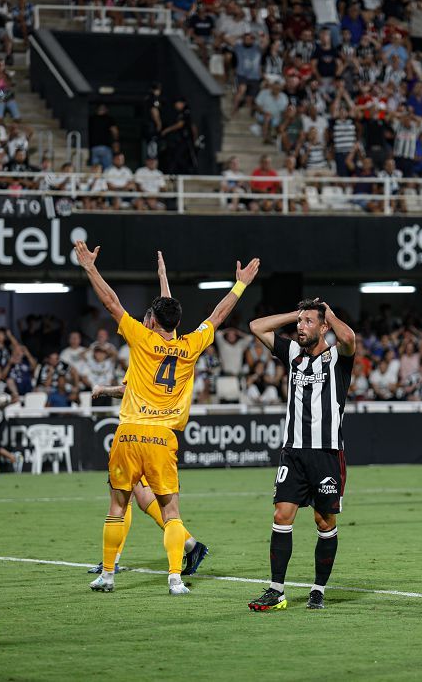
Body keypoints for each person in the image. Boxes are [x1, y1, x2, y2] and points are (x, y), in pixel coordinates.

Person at [76, 239, 259, 595]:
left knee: (117, 505)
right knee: (170, 511)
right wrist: (240, 284)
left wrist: (89, 267)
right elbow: (217, 315)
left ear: (150, 321)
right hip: (162, 437)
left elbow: (111, 302)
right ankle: (175, 579)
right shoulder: (190, 347)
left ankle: (109, 575)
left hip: (129, 432)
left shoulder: (142, 340)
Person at [84, 252, 209, 576]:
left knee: (125, 497)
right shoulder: (176, 345)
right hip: (157, 431)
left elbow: (136, 310)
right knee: (141, 499)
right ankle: (190, 546)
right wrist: (163, 276)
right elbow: (170, 316)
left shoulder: (143, 343)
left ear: (151, 321)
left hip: (141, 429)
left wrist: (106, 390)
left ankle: (113, 562)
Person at [246, 298, 356, 611]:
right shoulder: (293, 353)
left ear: (324, 327)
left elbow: (348, 339)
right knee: (282, 515)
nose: (301, 327)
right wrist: (295, 313)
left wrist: (329, 315)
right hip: (293, 452)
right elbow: (256, 327)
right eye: (300, 322)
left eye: (309, 322)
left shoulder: (337, 357)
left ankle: (318, 589)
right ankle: (276, 590)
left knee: (324, 522)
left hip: (326, 453)